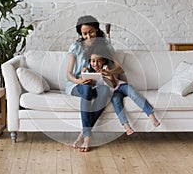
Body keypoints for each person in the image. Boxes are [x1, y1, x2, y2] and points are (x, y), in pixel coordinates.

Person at [65, 15, 123, 152]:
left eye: (91, 32)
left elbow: (119, 68)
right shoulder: (76, 47)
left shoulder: (105, 45)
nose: (88, 36)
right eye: (84, 33)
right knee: (86, 89)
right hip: (77, 84)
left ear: (97, 30)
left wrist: (110, 72)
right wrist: (78, 80)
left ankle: (83, 132)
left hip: (97, 84)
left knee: (104, 91)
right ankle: (87, 138)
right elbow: (68, 73)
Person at [83, 41, 160, 136]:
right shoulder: (91, 74)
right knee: (116, 102)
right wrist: (84, 75)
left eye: (99, 61)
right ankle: (126, 126)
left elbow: (115, 85)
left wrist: (110, 76)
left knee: (133, 92)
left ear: (103, 61)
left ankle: (151, 115)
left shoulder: (106, 68)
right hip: (113, 93)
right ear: (90, 62)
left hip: (119, 86)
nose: (96, 64)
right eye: (93, 61)